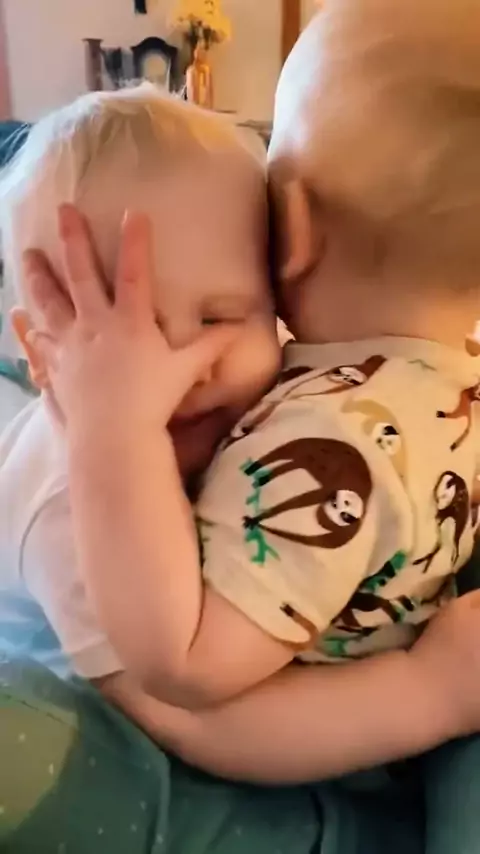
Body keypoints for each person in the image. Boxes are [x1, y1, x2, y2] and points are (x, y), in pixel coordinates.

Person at [21, 0, 480, 786]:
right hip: (137, 743)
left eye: (221, 316)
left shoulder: (368, 392)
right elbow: (199, 715)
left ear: (280, 248)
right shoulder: (69, 508)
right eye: (130, 342)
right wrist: (428, 692)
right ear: (42, 355)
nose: (185, 369)